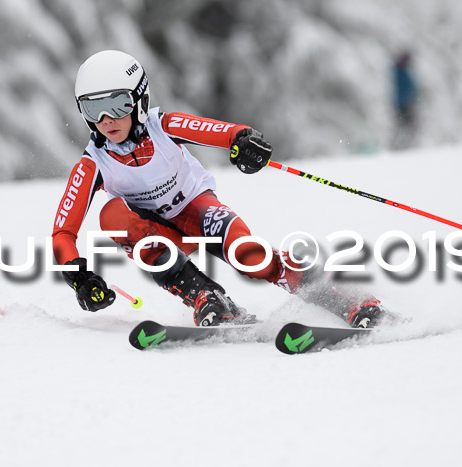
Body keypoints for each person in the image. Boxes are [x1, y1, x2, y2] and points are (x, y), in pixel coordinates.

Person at [52, 50, 390, 328]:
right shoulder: (92, 163)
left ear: (139, 101)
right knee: (111, 215)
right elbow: (62, 233)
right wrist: (78, 276)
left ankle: (348, 298)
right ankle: (208, 297)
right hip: (155, 232)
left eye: (118, 105)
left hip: (197, 210)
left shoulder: (163, 126)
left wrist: (243, 139)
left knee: (251, 257)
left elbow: (215, 131)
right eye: (93, 109)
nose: (107, 119)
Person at [391, 52, 418, 150]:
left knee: (405, 126)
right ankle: (401, 146)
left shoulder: (402, 71)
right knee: (406, 126)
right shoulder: (400, 72)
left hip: (405, 103)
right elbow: (405, 88)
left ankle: (403, 145)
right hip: (403, 104)